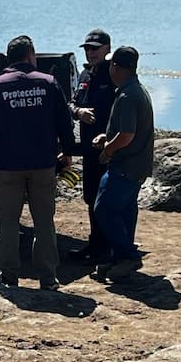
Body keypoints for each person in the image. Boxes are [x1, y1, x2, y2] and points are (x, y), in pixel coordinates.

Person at [0, 35, 76, 291]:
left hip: (8, 166)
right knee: (44, 222)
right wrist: (67, 151)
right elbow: (64, 121)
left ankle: (9, 275)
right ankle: (48, 277)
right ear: (31, 54)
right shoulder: (49, 83)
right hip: (43, 164)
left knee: (7, 223)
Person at [91, 45, 155, 281]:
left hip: (126, 166)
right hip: (136, 166)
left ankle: (128, 256)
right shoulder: (134, 90)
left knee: (104, 209)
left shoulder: (128, 95)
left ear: (116, 67)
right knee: (125, 211)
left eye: (111, 64)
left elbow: (127, 135)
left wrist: (108, 149)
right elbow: (128, 131)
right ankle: (121, 257)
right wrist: (106, 137)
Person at [68, 28, 118, 264]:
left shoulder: (114, 76)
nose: (91, 53)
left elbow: (123, 112)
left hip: (109, 150)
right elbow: (71, 103)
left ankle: (108, 247)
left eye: (95, 48)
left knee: (107, 200)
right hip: (89, 150)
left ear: (108, 48)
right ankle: (94, 243)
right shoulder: (85, 75)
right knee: (90, 197)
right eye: (87, 48)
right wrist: (79, 111)